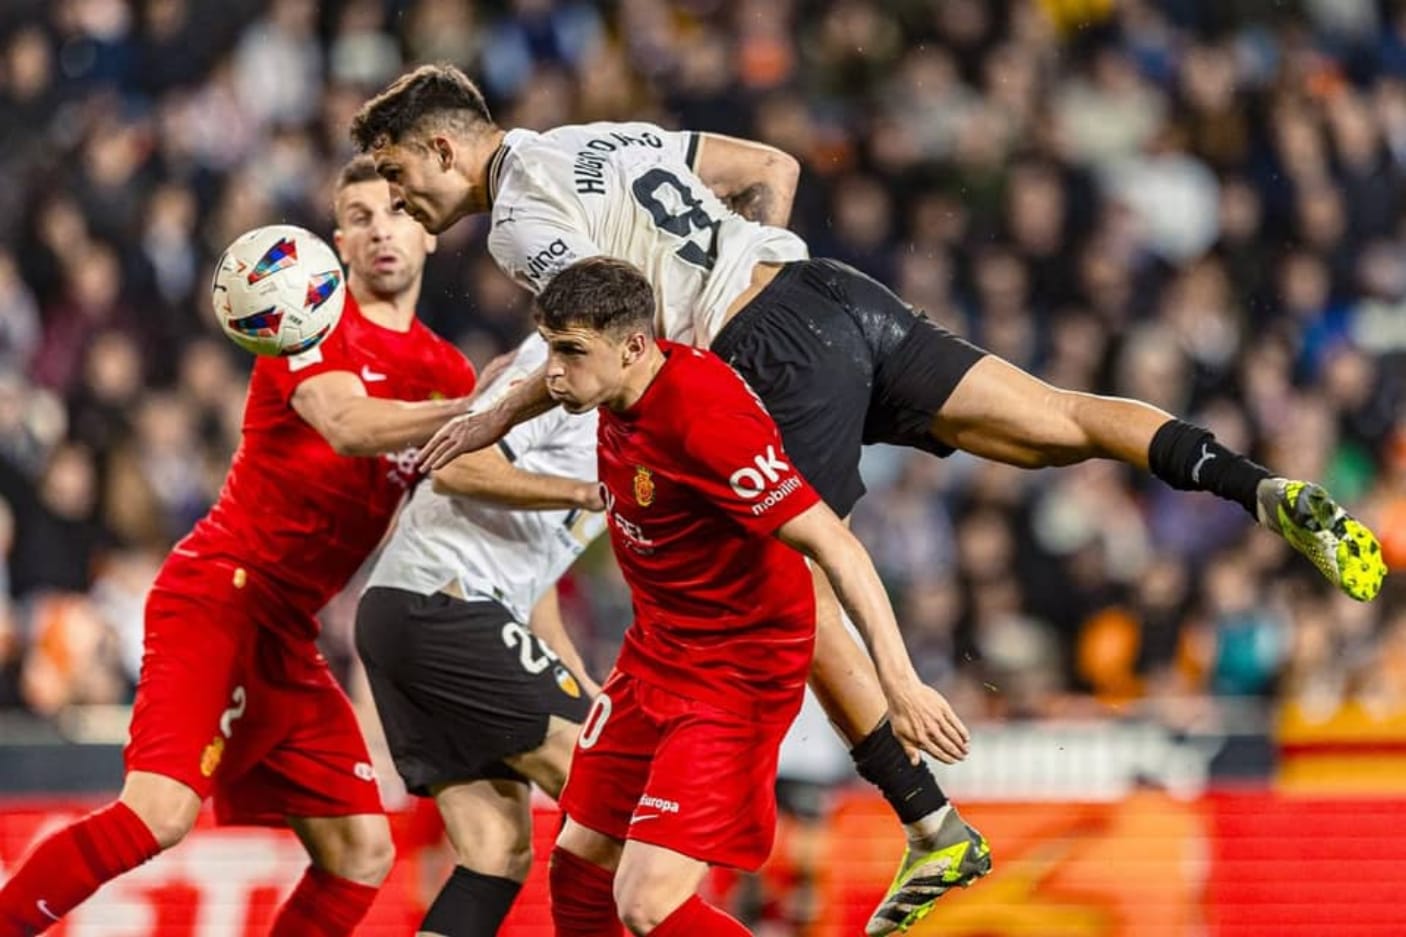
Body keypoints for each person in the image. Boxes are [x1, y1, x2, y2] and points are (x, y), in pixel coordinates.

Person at [349, 64, 1387, 935]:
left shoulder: (516, 220)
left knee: (782, 584)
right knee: (1055, 420)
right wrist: (760, 277)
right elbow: (770, 169)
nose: (402, 203)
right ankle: (1252, 483)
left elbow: (599, 322)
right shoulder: (595, 138)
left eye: (398, 176)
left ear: (446, 149)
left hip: (759, 354)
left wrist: (510, 406)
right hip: (829, 293)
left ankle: (928, 822)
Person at [0, 156, 478, 937]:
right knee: (157, 815)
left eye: (397, 210)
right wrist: (483, 405)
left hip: (287, 631)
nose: (382, 228)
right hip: (220, 591)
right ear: (336, 245)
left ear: (429, 231)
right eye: (359, 217)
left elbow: (480, 477)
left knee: (360, 851)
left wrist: (572, 471)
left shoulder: (443, 370)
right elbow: (347, 422)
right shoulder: (304, 316)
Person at [537, 256, 972, 937]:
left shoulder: (706, 418)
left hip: (732, 675)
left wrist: (901, 681)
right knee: (577, 862)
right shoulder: (616, 384)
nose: (554, 372)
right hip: (653, 654)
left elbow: (838, 547)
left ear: (631, 345)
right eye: (549, 348)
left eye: (570, 352)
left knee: (647, 901)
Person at [354, 332, 608, 937]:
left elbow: (533, 586)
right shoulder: (554, 371)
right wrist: (584, 493)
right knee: (611, 791)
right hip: (443, 603)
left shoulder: (621, 410)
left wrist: (585, 689)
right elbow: (458, 462)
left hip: (417, 612)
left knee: (497, 852)